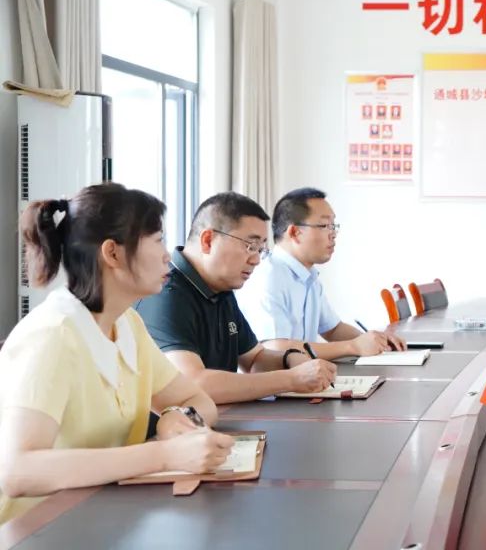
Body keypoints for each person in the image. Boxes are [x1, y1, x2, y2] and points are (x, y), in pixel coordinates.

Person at [0, 184, 233, 524]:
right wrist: (162, 455)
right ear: (112, 253)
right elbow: (17, 471)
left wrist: (175, 417)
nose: (167, 255)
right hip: (36, 531)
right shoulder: (51, 335)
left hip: (101, 519)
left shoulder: (128, 325)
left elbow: (198, 400)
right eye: (158, 241)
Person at [135, 193, 336, 404]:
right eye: (250, 246)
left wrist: (289, 358)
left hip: (219, 418)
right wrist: (291, 379)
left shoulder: (220, 288)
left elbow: (254, 359)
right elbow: (193, 384)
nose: (256, 260)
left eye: (261, 249)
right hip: (174, 425)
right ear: (207, 240)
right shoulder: (164, 294)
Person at [237, 188, 404, 357]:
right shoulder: (268, 276)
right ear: (295, 232)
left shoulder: (308, 276)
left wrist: (376, 341)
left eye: (333, 226)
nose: (333, 234)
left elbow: (333, 329)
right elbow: (276, 348)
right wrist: (353, 346)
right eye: (324, 226)